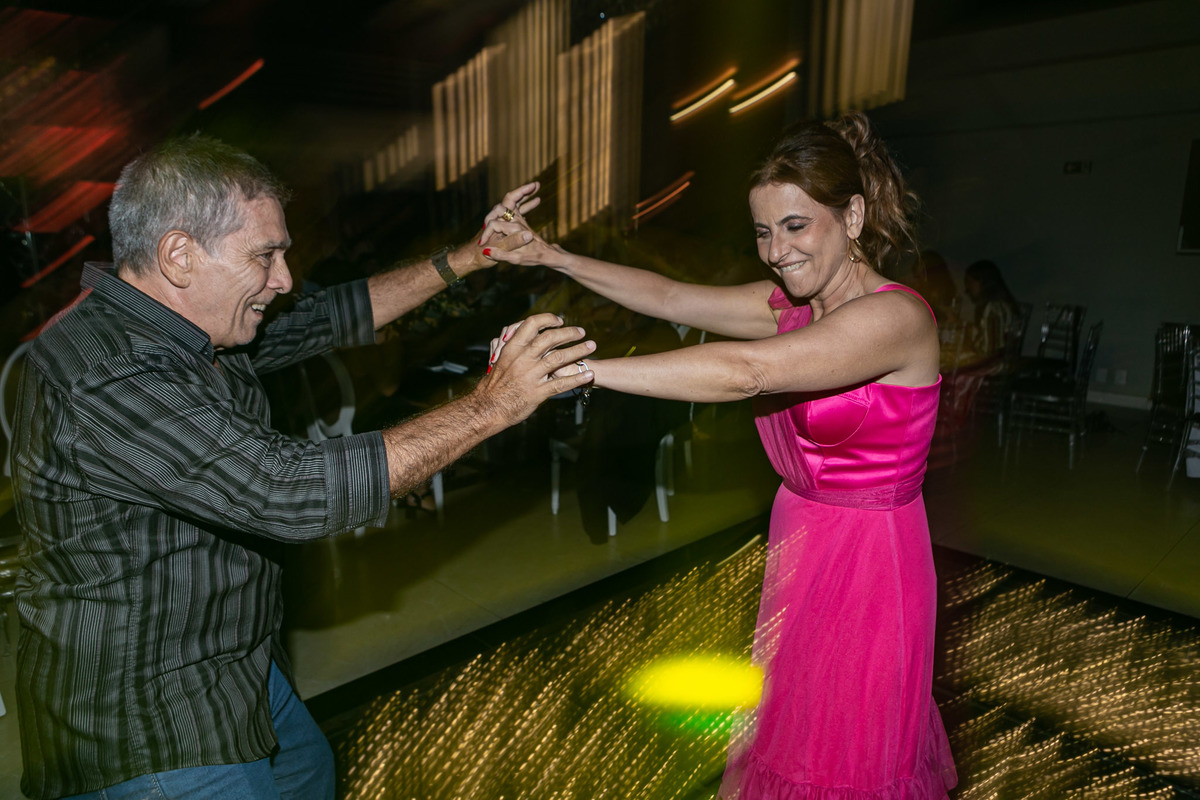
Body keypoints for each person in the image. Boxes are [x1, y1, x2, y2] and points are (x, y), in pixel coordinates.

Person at [10, 135, 593, 800]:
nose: (283, 278)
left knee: (309, 774)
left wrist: (472, 256)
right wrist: (495, 405)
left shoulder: (180, 319)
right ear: (179, 255)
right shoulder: (108, 374)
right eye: (265, 255)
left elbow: (326, 316)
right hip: (148, 715)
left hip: (232, 664)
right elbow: (288, 492)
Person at [486, 113, 957, 798]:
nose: (777, 250)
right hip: (803, 537)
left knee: (848, 754)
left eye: (796, 226)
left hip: (869, 562)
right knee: (790, 733)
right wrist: (552, 256)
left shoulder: (897, 319)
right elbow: (674, 296)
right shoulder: (795, 306)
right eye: (763, 232)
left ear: (851, 215)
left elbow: (746, 373)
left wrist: (576, 371)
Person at [963, 258, 1020, 364]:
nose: (968, 288)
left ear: (983, 282)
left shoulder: (994, 308)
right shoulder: (998, 305)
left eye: (970, 282)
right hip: (996, 362)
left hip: (993, 367)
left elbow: (991, 350)